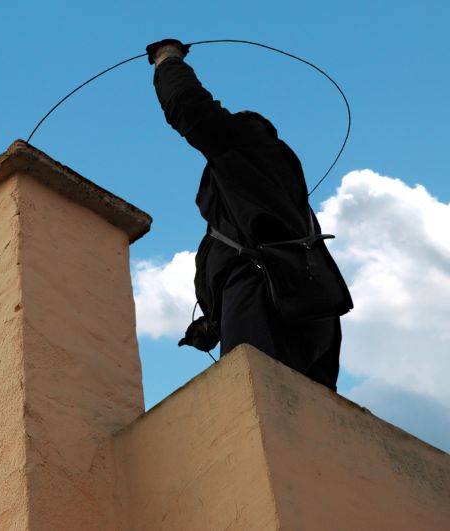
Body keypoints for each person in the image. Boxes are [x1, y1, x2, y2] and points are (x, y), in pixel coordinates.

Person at [147, 38, 348, 390]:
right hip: (295, 303)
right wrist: (214, 321)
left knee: (256, 396)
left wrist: (167, 58)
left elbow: (189, 107)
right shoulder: (265, 195)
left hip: (265, 296)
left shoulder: (246, 146)